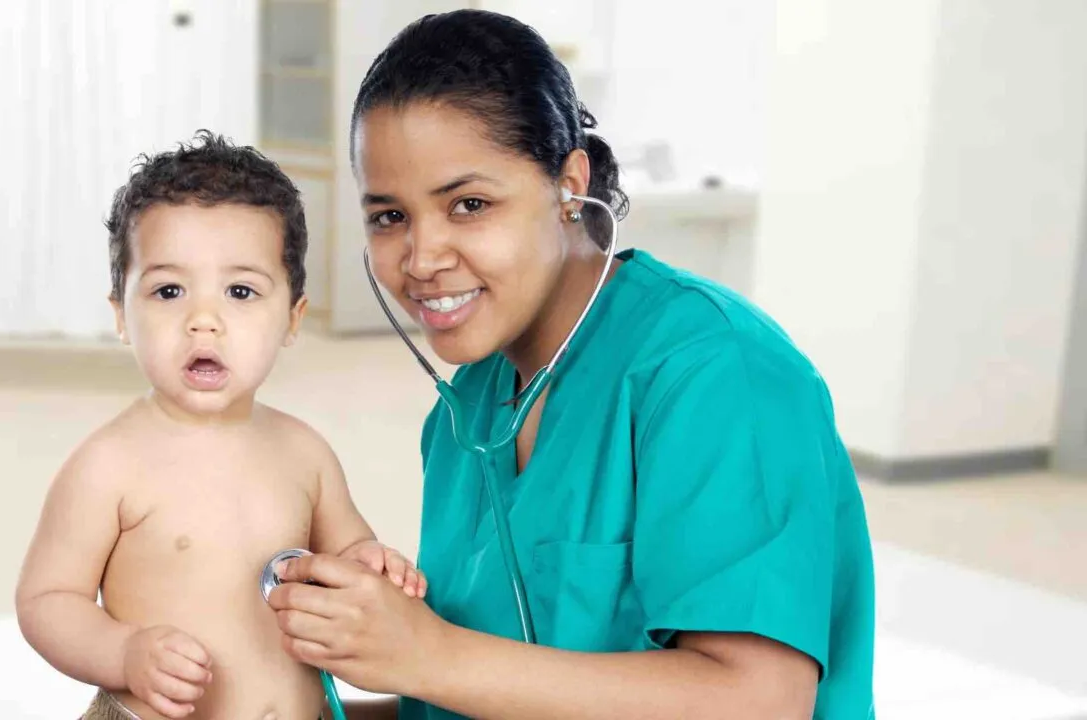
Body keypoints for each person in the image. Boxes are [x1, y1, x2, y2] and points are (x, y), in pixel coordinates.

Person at [266, 10, 876, 720]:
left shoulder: (716, 372)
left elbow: (760, 701)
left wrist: (427, 654)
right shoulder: (468, 408)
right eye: (388, 216)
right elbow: (478, 692)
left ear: (568, 183)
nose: (422, 258)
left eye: (469, 204)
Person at [15, 131, 426, 720]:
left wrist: (372, 566)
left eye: (240, 291)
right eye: (168, 290)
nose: (203, 320)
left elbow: (347, 549)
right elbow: (47, 600)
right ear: (121, 315)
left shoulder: (303, 451)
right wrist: (124, 652)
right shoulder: (110, 464)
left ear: (292, 316)